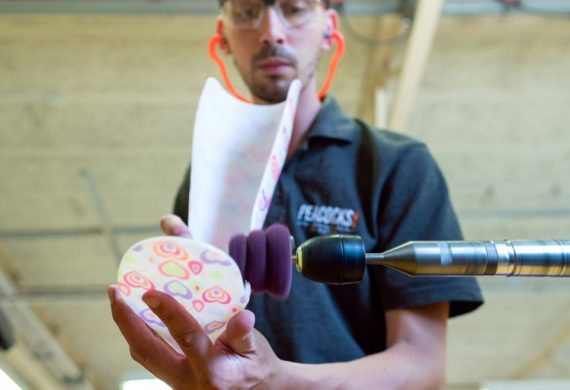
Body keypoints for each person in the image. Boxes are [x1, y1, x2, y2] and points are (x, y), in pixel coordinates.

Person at [109, 0, 484, 388]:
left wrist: (279, 380)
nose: (271, 32)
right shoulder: (205, 178)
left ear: (329, 27)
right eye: (246, 12)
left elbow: (423, 366)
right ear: (222, 38)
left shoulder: (398, 165)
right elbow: (206, 350)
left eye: (295, 8)